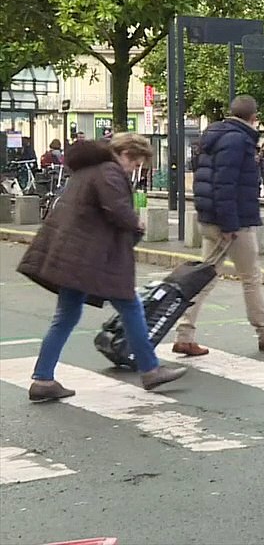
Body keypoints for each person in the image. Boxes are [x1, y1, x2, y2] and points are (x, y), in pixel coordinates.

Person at [19, 134, 187, 401]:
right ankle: (150, 369)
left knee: (66, 317)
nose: (135, 169)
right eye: (136, 163)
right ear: (127, 155)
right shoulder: (109, 171)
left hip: (74, 256)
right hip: (94, 258)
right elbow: (117, 210)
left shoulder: (88, 170)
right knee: (131, 306)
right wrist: (137, 223)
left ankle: (43, 378)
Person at [176, 96, 264, 356]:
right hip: (233, 222)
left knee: (204, 277)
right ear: (253, 117)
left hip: (210, 216)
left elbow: (204, 176)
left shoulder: (214, 134)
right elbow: (225, 183)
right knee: (250, 278)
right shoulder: (237, 140)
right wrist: (230, 223)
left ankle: (184, 334)